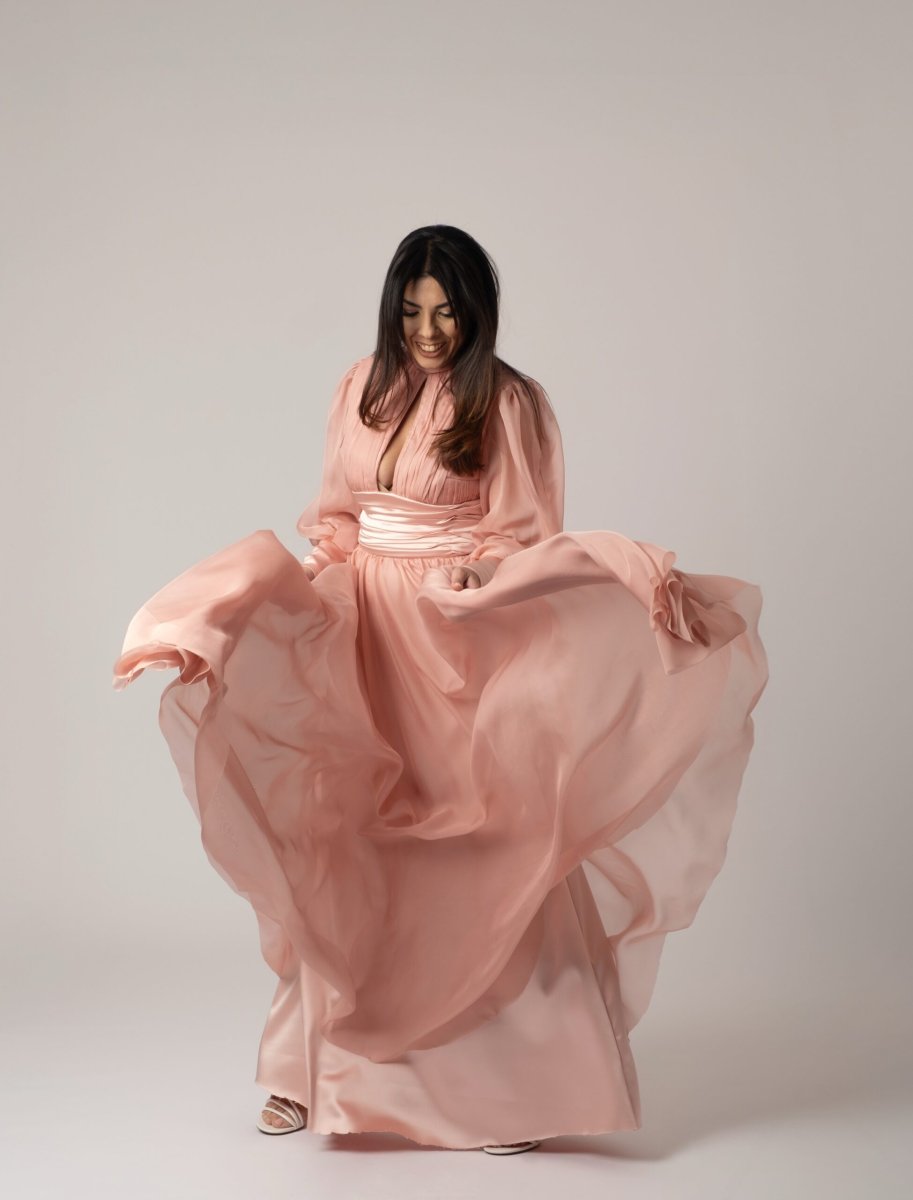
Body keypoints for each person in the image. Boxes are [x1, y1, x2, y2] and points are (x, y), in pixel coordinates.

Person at [112, 224, 768, 1155]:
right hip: (362, 628)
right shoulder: (360, 386)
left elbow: (524, 529)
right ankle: (308, 1071)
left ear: (476, 314)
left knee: (475, 841)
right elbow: (339, 520)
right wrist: (290, 597)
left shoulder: (507, 400)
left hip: (452, 633)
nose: (427, 331)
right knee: (347, 835)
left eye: (446, 312)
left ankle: (504, 1091)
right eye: (412, 311)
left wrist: (477, 570)